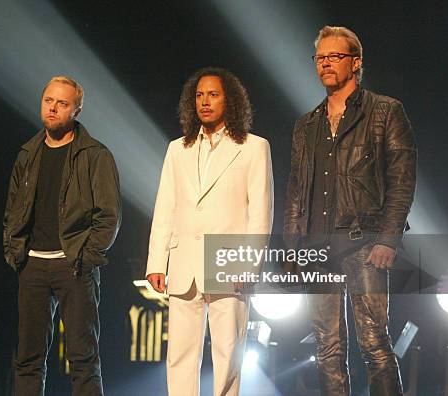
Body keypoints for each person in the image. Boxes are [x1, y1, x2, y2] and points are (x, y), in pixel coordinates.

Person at [283, 26, 417, 395]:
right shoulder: (306, 124)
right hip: (317, 248)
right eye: (320, 58)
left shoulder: (385, 111)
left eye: (334, 56)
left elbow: (402, 179)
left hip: (364, 243)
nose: (325, 64)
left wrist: (388, 238)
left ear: (355, 63)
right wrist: (293, 247)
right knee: (326, 349)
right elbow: (296, 190)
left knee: (374, 343)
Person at [146, 67, 273, 395]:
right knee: (179, 355)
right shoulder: (178, 148)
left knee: (228, 352)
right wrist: (157, 263)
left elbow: (261, 213)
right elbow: (165, 207)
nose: (204, 101)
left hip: (229, 260)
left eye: (213, 94)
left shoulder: (254, 147)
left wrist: (249, 264)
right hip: (184, 260)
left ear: (229, 100)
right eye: (199, 95)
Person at [3, 76, 121, 395]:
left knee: (83, 358)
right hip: (33, 266)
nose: (53, 108)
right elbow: (13, 207)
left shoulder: (95, 155)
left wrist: (85, 257)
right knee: (28, 358)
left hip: (74, 265)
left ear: (76, 110)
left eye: (62, 103)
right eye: (48, 101)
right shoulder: (28, 153)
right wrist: (16, 253)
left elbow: (108, 216)